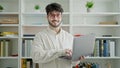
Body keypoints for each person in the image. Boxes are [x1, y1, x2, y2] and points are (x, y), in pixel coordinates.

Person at [31, 3, 84, 68]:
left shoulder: (69, 37)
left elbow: (72, 63)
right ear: (47, 17)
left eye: (58, 15)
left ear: (61, 17)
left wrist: (77, 59)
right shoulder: (39, 36)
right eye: (52, 15)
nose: (55, 18)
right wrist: (60, 52)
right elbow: (36, 57)